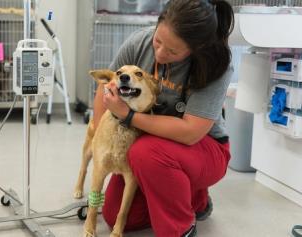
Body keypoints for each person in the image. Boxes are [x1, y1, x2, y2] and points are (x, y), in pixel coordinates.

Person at [93, 0, 234, 236]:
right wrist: (101, 138)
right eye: (158, 41)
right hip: (145, 141)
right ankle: (191, 198)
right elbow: (105, 90)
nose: (159, 53)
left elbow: (190, 132)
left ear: (196, 48)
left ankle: (180, 227)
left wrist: (128, 116)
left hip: (204, 148)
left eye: (172, 51)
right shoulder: (139, 42)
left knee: (146, 152)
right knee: (116, 216)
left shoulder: (216, 64)